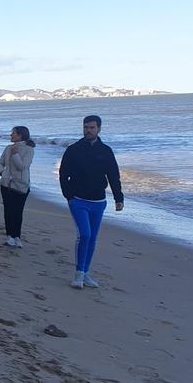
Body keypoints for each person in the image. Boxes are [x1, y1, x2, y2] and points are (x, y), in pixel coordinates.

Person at [59, 114, 124, 289]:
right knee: (84, 235)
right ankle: (78, 274)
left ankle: (85, 272)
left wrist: (119, 198)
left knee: (93, 238)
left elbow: (113, 175)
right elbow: (63, 174)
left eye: (92, 127)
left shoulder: (106, 151)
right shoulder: (73, 149)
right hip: (78, 200)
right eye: (86, 127)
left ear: (99, 129)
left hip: (99, 201)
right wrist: (69, 196)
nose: (88, 130)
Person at [0, 125, 35, 247]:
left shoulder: (29, 150)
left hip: (21, 185)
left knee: (18, 211)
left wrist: (15, 154)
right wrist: (3, 173)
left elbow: (22, 166)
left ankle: (17, 236)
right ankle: (9, 236)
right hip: (6, 184)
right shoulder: (8, 148)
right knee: (8, 210)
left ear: (20, 135)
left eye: (13, 133)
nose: (11, 135)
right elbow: (0, 163)